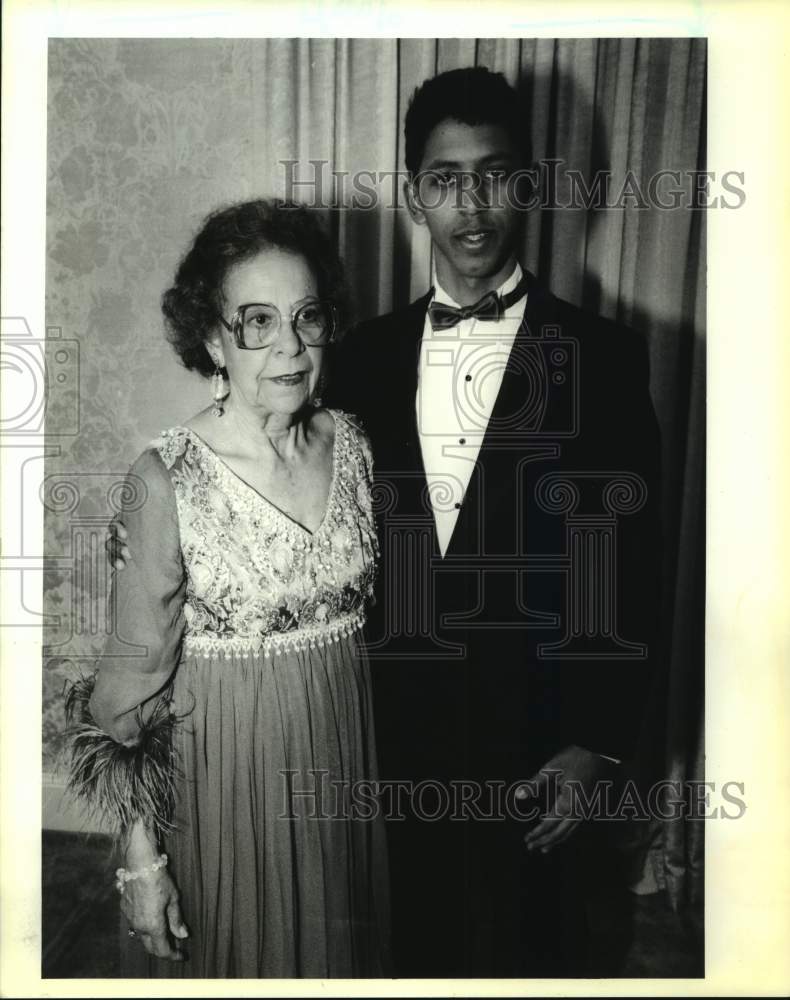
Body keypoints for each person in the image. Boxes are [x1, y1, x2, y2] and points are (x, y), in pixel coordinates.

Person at [110, 67, 662, 977]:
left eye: (495, 174)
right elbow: (249, 483)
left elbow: (632, 573)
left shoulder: (604, 359)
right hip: (375, 753)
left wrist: (596, 742)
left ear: (526, 184)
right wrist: (147, 539)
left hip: (535, 761)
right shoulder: (354, 362)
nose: (472, 205)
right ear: (415, 194)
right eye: (446, 178)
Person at [64, 199, 391, 978]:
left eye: (308, 317)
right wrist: (143, 865)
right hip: (227, 788)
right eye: (257, 321)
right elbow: (130, 696)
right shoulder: (164, 481)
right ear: (213, 337)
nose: (290, 346)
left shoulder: (354, 444)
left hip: (344, 762)